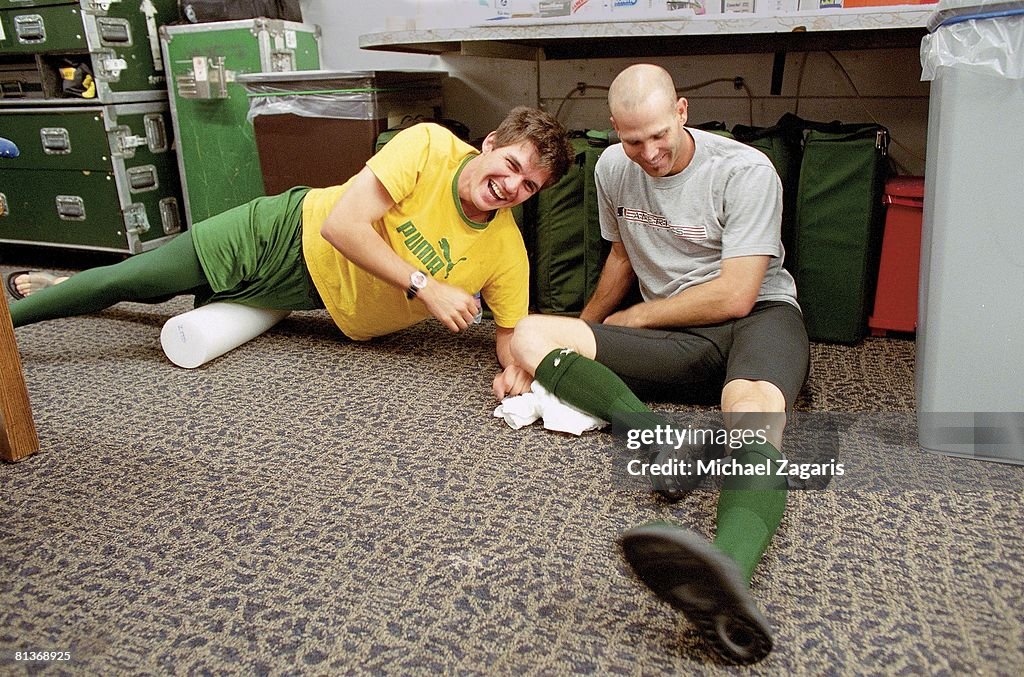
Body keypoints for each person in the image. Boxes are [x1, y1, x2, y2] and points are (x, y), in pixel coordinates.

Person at [493, 65, 809, 664]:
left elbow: (738, 292)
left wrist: (629, 322)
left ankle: (728, 576)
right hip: (677, 334)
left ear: (683, 111)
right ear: (615, 130)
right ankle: (654, 440)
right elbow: (620, 255)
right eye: (634, 140)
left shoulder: (745, 170)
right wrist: (584, 328)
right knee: (531, 334)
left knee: (750, 411)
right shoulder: (613, 168)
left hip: (759, 318)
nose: (651, 152)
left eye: (660, 134)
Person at [6, 107, 575, 374]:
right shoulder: (428, 145)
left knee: (161, 299)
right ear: (490, 142)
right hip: (280, 233)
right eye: (510, 164)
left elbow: (509, 331)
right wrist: (425, 287)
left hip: (306, 297)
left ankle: (65, 284)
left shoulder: (505, 252)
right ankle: (10, 321)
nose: (511, 186)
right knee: (134, 280)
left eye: (530, 186)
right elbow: (342, 227)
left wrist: (517, 372)